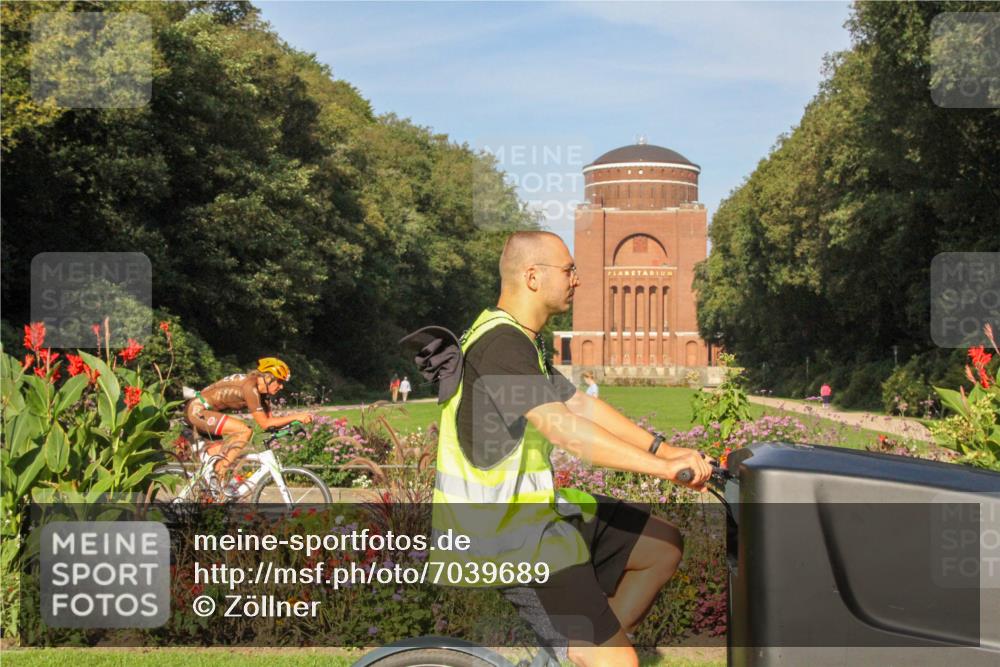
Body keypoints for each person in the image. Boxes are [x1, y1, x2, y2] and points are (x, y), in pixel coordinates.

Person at [428, 231, 711, 667]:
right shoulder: (500, 344)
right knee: (618, 665)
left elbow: (579, 404)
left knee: (662, 546)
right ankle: (589, 654)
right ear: (533, 276)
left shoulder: (519, 338)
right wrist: (664, 470)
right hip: (507, 536)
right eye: (569, 270)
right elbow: (567, 431)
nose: (577, 279)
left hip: (534, 514)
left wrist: (666, 448)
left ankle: (577, 654)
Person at [184, 357, 313, 492]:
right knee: (244, 431)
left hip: (206, 414)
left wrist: (293, 423)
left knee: (219, 465)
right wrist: (297, 416)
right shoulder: (251, 388)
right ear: (267, 378)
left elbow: (270, 423)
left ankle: (212, 494)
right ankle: (218, 472)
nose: (281, 386)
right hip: (197, 410)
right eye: (279, 382)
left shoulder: (262, 394)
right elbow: (264, 424)